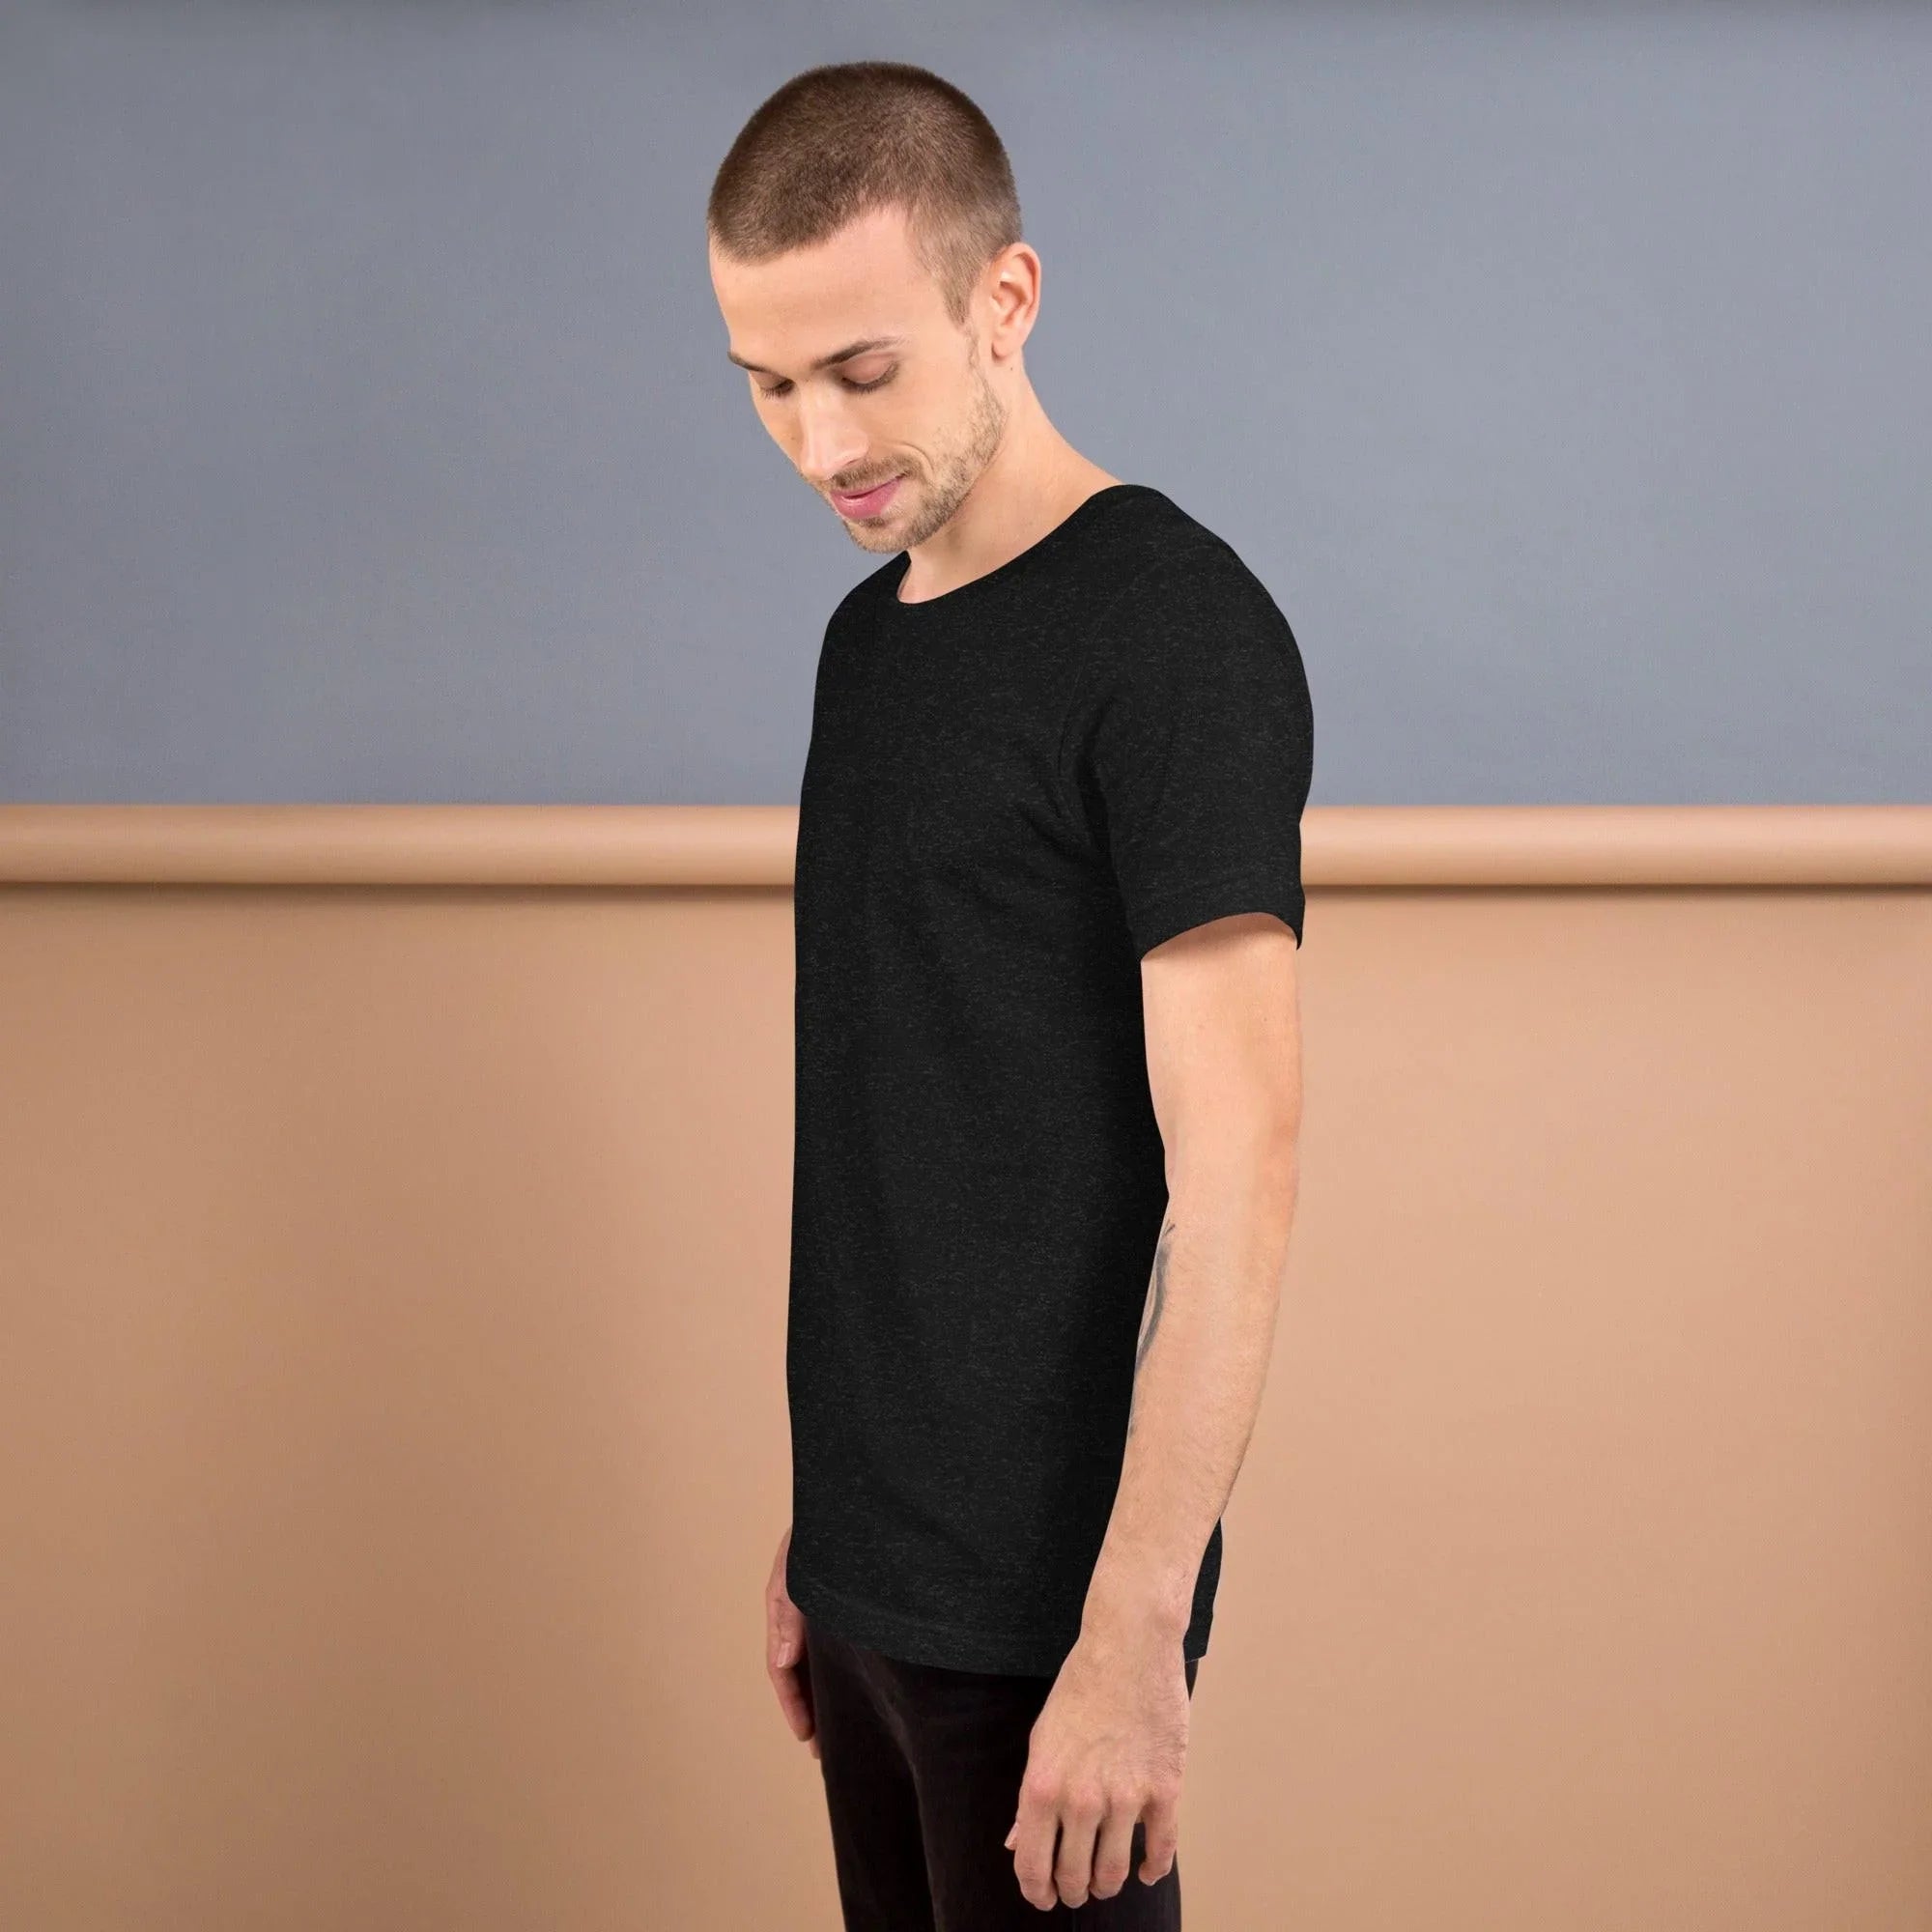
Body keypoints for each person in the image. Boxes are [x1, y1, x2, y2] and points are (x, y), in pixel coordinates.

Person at [707, 59, 1312, 1929]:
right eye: (768, 387)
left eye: (862, 371)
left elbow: (1242, 1166)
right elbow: (894, 1120)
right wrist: (832, 1520)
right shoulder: (859, 649)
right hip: (873, 1589)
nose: (820, 445)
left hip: (1051, 1625)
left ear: (1005, 300)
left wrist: (1138, 1626)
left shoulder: (1171, 631)